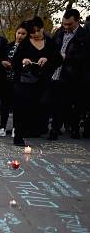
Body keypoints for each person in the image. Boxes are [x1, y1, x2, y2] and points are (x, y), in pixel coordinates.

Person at [13, 17, 62, 146]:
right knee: (22, 106)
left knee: (41, 104)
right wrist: (23, 61)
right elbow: (15, 61)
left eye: (38, 31)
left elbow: (58, 59)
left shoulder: (50, 43)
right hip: (25, 80)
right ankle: (18, 135)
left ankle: (34, 129)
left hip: (43, 80)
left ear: (42, 29)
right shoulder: (25, 43)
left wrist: (47, 60)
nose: (35, 34)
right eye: (32, 32)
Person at [49, 9, 89, 140]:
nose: (66, 27)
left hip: (74, 75)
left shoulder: (85, 36)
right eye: (64, 24)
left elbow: (85, 58)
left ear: (77, 21)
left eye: (69, 24)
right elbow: (51, 48)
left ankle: (74, 128)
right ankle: (54, 130)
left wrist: (67, 57)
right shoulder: (59, 32)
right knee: (56, 103)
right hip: (56, 73)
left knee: (74, 104)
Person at [0, 23, 28, 137]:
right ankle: (2, 128)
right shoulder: (8, 45)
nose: (20, 36)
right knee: (4, 105)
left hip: (18, 80)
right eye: (19, 33)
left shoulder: (27, 48)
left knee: (17, 105)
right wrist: (2, 62)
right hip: (5, 79)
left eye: (23, 34)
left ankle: (15, 129)